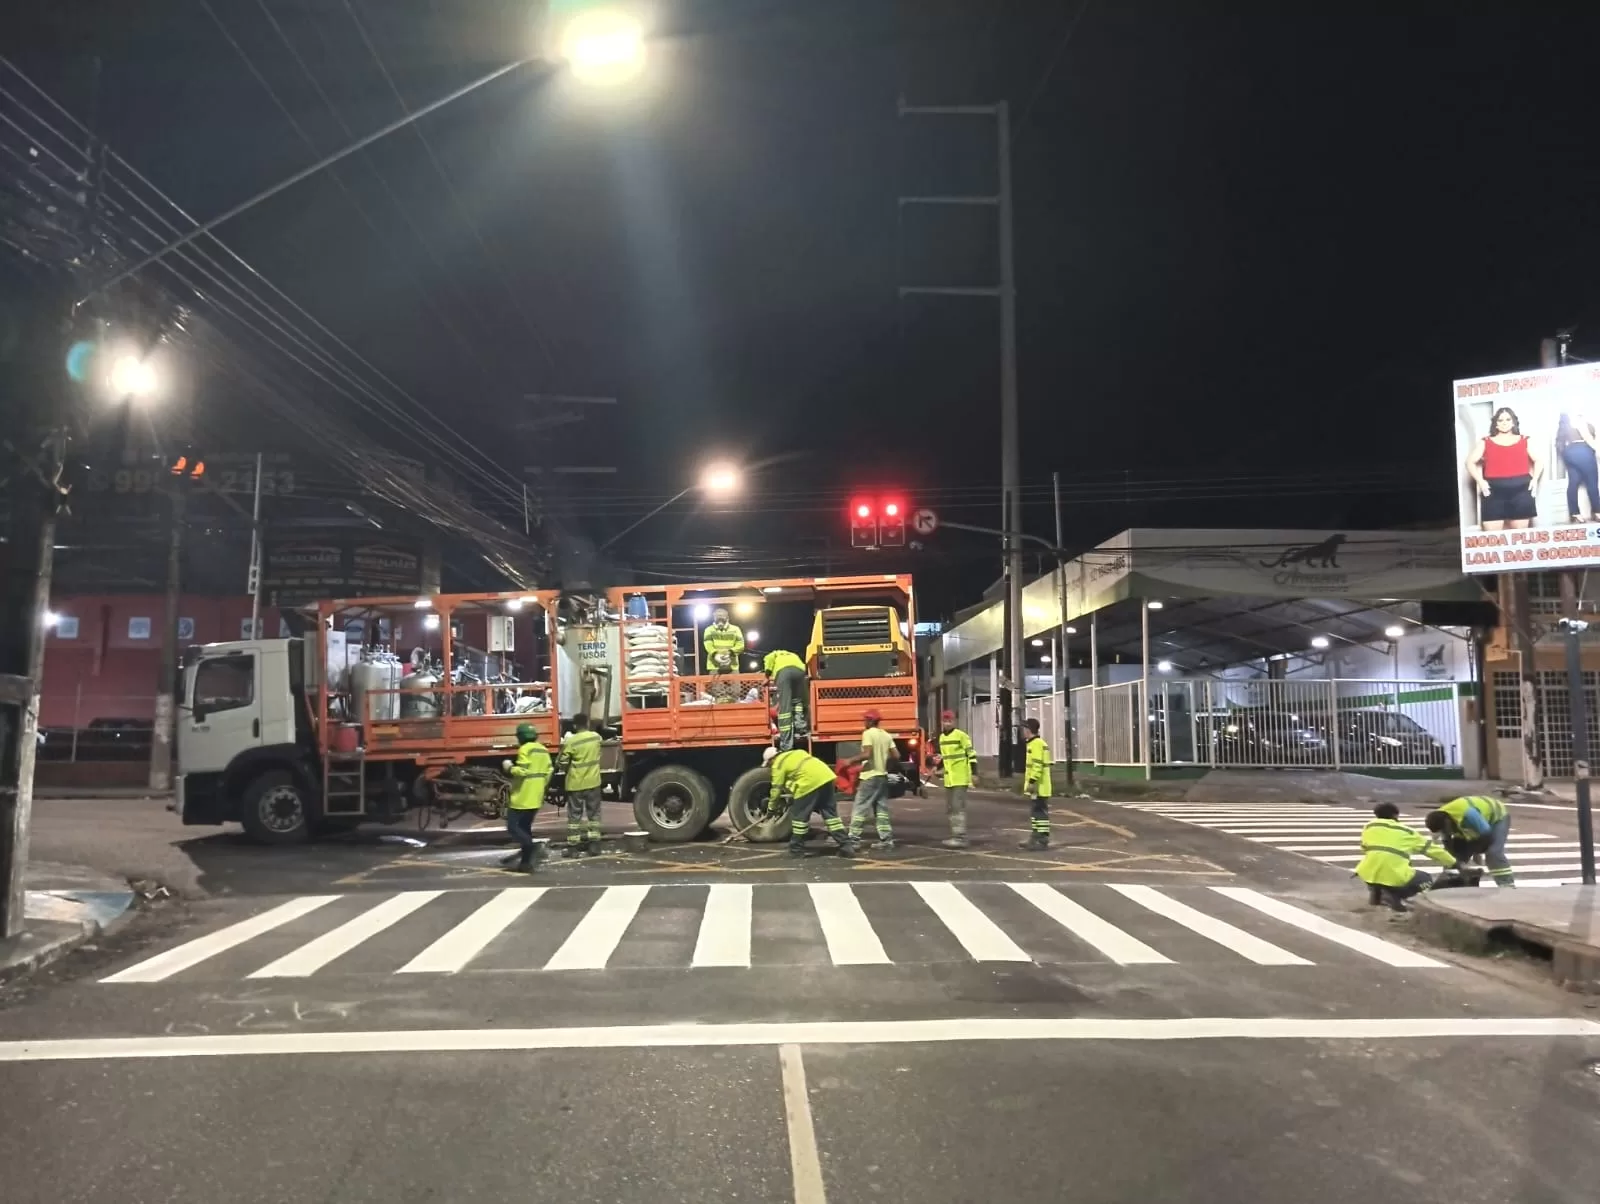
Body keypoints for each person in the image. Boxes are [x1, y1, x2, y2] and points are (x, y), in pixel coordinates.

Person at [1357, 802, 1457, 910]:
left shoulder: (1369, 827)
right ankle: (1394, 897)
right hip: (1394, 875)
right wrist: (1453, 862)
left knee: (1381, 869)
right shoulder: (1407, 831)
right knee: (1426, 879)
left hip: (1367, 872)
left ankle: (1378, 894)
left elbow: (1364, 847)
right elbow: (1432, 850)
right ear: (1395, 815)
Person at [765, 744, 855, 858]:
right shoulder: (797, 752)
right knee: (832, 818)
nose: (770, 767)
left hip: (808, 784)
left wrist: (771, 809)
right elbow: (800, 773)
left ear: (772, 759)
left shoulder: (778, 764)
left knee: (799, 820)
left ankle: (796, 850)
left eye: (769, 764)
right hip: (826, 778)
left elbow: (776, 789)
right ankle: (846, 846)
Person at [1465, 406, 1544, 531]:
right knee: (1493, 536)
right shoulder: (1486, 441)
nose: (1504, 423)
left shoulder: (1524, 440)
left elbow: (1538, 460)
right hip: (1493, 492)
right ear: (1496, 424)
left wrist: (1534, 480)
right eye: (1500, 420)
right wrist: (1480, 481)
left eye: (1508, 419)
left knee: (1519, 535)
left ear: (1513, 422)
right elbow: (1470, 462)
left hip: (1521, 492)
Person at [1426, 794, 1515, 886]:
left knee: (1493, 853)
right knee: (1454, 858)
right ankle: (1452, 883)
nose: (1446, 832)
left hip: (1497, 817)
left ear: (1447, 822)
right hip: (1469, 825)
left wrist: (1476, 852)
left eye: (1445, 829)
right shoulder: (1440, 819)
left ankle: (1506, 884)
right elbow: (1448, 844)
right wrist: (1456, 862)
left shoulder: (1468, 814)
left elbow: (1486, 835)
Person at [500, 723, 551, 873]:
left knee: (513, 827)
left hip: (522, 796)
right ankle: (525, 863)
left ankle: (531, 847)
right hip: (536, 795)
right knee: (525, 827)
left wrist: (509, 767)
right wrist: (540, 786)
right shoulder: (543, 749)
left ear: (520, 737)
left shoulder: (525, 749)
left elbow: (522, 771)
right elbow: (549, 771)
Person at [845, 709, 898, 850]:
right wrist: (884, 764)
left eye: (865, 720)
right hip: (882, 776)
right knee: (881, 809)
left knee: (860, 808)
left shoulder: (868, 734)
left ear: (870, 721)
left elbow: (867, 754)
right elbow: (896, 755)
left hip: (869, 776)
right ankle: (886, 840)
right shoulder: (886, 735)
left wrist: (850, 761)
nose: (864, 722)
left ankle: (853, 840)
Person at [559, 711, 605, 858]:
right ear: (587, 723)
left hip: (576, 784)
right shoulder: (595, 737)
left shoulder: (571, 741)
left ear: (574, 726)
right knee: (594, 815)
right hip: (593, 782)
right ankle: (595, 846)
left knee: (574, 817)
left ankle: (573, 848)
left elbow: (562, 762)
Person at [934, 709, 975, 848]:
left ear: (954, 721)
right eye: (945, 721)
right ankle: (956, 835)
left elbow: (971, 755)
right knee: (951, 808)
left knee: (958, 807)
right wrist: (938, 769)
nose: (947, 723)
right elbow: (944, 758)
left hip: (960, 777)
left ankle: (960, 837)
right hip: (949, 779)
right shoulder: (942, 738)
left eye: (949, 720)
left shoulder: (961, 736)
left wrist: (974, 774)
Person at [1557, 410, 1600, 523]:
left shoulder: (1566, 424)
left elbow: (1560, 443)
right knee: (1592, 482)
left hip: (1571, 452)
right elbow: (1589, 438)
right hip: (1583, 451)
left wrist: (1565, 453)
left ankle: (1575, 513)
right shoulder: (1579, 423)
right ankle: (1597, 511)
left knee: (1574, 482)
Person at [763, 648, 810, 750]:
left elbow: (768, 660)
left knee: (785, 707)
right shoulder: (793, 654)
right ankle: (800, 727)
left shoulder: (774, 654)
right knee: (797, 700)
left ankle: (786, 744)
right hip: (800, 672)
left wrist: (767, 676)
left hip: (784, 672)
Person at [1019, 717, 1052, 850]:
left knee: (1040, 813)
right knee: (1035, 814)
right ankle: (1035, 837)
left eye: (1024, 728)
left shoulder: (1036, 744)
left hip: (1039, 786)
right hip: (1037, 787)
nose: (1023, 731)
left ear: (1028, 730)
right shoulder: (1033, 743)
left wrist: (1032, 781)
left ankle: (1042, 839)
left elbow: (1037, 766)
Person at [703, 607, 745, 703]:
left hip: (732, 665)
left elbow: (741, 644)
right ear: (714, 619)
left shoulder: (735, 629)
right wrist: (715, 655)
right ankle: (721, 707)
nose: (720, 622)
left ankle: (733, 706)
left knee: (735, 691)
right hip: (714, 666)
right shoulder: (709, 630)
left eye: (722, 619)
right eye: (718, 619)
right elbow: (708, 644)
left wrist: (730, 653)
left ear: (727, 618)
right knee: (718, 693)